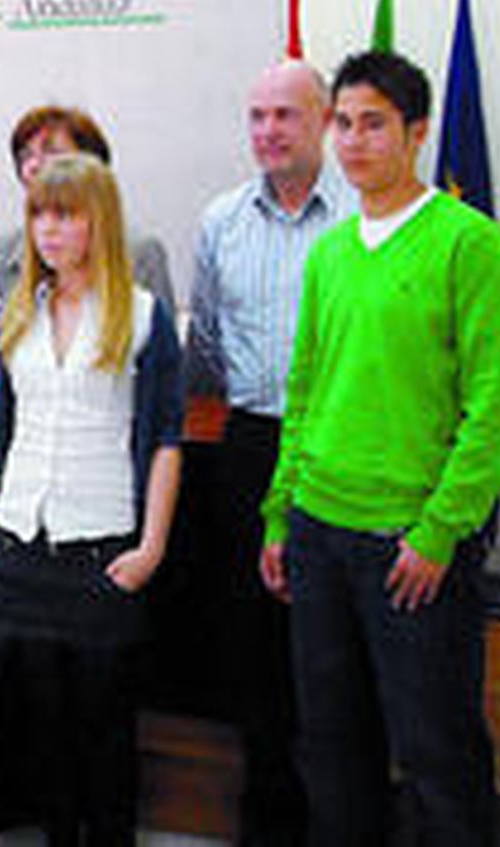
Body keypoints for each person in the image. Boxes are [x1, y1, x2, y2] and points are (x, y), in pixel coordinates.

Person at [260, 51, 500, 847]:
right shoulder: (332, 251)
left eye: (373, 123)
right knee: (331, 745)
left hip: (412, 545)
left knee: (437, 749)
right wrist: (280, 515)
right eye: (342, 123)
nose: (353, 141)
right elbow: (304, 390)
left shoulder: (467, 241)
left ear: (417, 132)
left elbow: (497, 406)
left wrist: (440, 530)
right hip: (318, 533)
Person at [0, 153, 183, 846]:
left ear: (101, 221)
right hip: (20, 546)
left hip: (103, 550)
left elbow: (165, 440)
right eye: (39, 215)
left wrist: (151, 547)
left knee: (105, 732)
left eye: (65, 215)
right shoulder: (17, 312)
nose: (49, 230)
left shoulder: (143, 316)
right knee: (43, 736)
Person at [183, 59, 349, 845]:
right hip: (251, 443)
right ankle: (269, 824)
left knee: (336, 649)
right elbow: (209, 340)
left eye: (286, 114)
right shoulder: (222, 219)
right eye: (257, 115)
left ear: (325, 120)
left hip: (343, 442)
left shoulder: (362, 216)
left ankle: (341, 823)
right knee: (253, 648)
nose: (269, 130)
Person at [0, 105, 175, 310]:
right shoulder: (4, 250)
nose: (33, 166)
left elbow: (160, 339)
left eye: (51, 152)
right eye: (25, 156)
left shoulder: (139, 250)